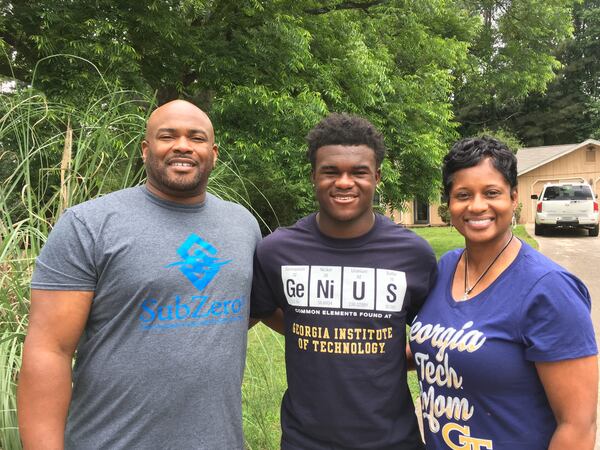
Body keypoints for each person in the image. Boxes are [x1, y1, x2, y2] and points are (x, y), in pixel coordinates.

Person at [17, 100, 261, 449]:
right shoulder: (89, 224)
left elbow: (237, 310)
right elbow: (48, 351)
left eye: (196, 137)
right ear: (146, 149)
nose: (182, 145)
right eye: (167, 136)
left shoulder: (243, 224)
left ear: (213, 152)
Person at [251, 113, 437, 449]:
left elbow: (436, 337)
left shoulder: (414, 254)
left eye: (359, 172)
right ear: (313, 176)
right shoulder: (276, 251)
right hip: (305, 441)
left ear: (377, 177)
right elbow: (265, 310)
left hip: (393, 440)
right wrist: (313, 328)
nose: (344, 182)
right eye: (331, 171)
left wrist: (386, 353)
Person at [409, 136, 598, 449]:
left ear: (513, 198)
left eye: (491, 193)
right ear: (449, 204)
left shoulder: (549, 290)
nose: (477, 205)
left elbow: (577, 425)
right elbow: (435, 346)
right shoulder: (446, 267)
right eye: (463, 195)